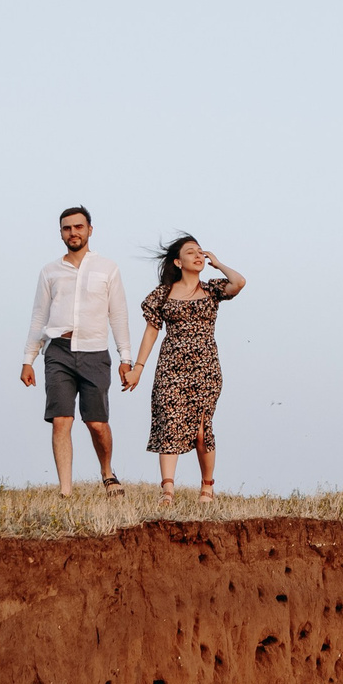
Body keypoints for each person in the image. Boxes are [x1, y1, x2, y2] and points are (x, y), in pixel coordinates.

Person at [124, 233, 247, 503]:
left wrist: (218, 263)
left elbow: (239, 282)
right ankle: (167, 490)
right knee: (170, 424)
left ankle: (207, 487)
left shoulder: (212, 289)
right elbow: (151, 332)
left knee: (202, 429)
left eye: (201, 251)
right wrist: (138, 369)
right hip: (170, 367)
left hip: (206, 369)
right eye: (191, 252)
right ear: (178, 262)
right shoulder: (163, 294)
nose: (198, 255)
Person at [20, 205, 133, 496]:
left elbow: (118, 314)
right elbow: (38, 316)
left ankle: (107, 473)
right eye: (67, 228)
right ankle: (66, 492)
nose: (73, 232)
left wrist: (125, 358)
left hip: (95, 352)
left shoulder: (108, 268)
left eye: (78, 227)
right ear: (61, 233)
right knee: (61, 420)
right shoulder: (50, 271)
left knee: (96, 423)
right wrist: (28, 359)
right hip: (58, 350)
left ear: (90, 230)